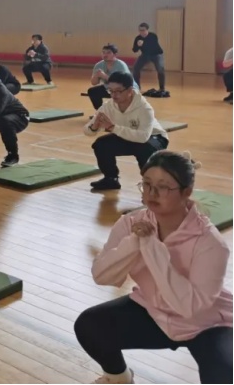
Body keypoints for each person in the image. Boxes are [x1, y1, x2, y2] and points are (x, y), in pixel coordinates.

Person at [75, 151, 232, 385]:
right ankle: (119, 379)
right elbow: (101, 275)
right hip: (156, 311)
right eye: (146, 184)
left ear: (186, 192)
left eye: (163, 187)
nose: (152, 193)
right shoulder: (131, 224)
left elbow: (189, 308)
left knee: (224, 371)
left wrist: (151, 247)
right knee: (89, 326)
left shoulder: (210, 242)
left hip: (206, 323)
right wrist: (134, 243)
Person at [84, 71, 168, 192]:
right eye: (111, 91)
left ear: (129, 90)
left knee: (144, 148)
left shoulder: (144, 107)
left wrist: (113, 128)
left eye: (118, 91)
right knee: (100, 144)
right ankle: (111, 179)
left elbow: (143, 137)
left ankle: (152, 184)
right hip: (128, 136)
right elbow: (87, 131)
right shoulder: (109, 106)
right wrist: (94, 127)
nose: (114, 95)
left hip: (155, 137)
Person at [87, 44, 136, 110]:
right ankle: (100, 111)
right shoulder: (99, 65)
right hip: (110, 89)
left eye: (108, 53)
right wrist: (96, 76)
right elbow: (94, 83)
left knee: (119, 94)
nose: (105, 55)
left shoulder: (121, 65)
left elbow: (123, 82)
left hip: (125, 89)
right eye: (103, 52)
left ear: (115, 55)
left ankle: (121, 111)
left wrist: (104, 76)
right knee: (92, 91)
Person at [132, 23, 168, 98]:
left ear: (147, 30)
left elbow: (152, 46)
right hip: (145, 55)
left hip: (156, 54)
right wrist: (138, 46)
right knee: (135, 68)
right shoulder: (138, 38)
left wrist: (143, 44)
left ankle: (162, 88)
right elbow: (134, 50)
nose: (141, 32)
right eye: (140, 30)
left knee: (160, 69)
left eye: (143, 30)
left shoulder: (153, 36)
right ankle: (137, 87)